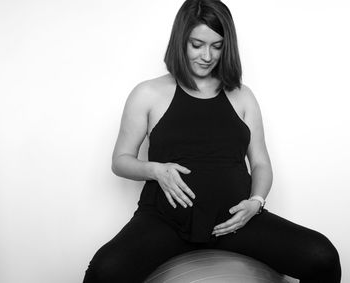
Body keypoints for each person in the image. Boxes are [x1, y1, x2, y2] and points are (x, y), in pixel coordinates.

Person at [82, 0, 341, 282]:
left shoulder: (242, 96)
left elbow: (260, 163)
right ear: (180, 41)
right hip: (166, 221)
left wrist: (255, 202)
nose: (207, 55)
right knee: (104, 271)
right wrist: (156, 170)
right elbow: (120, 161)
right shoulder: (148, 93)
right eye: (197, 45)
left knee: (323, 257)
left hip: (233, 222)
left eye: (217, 46)